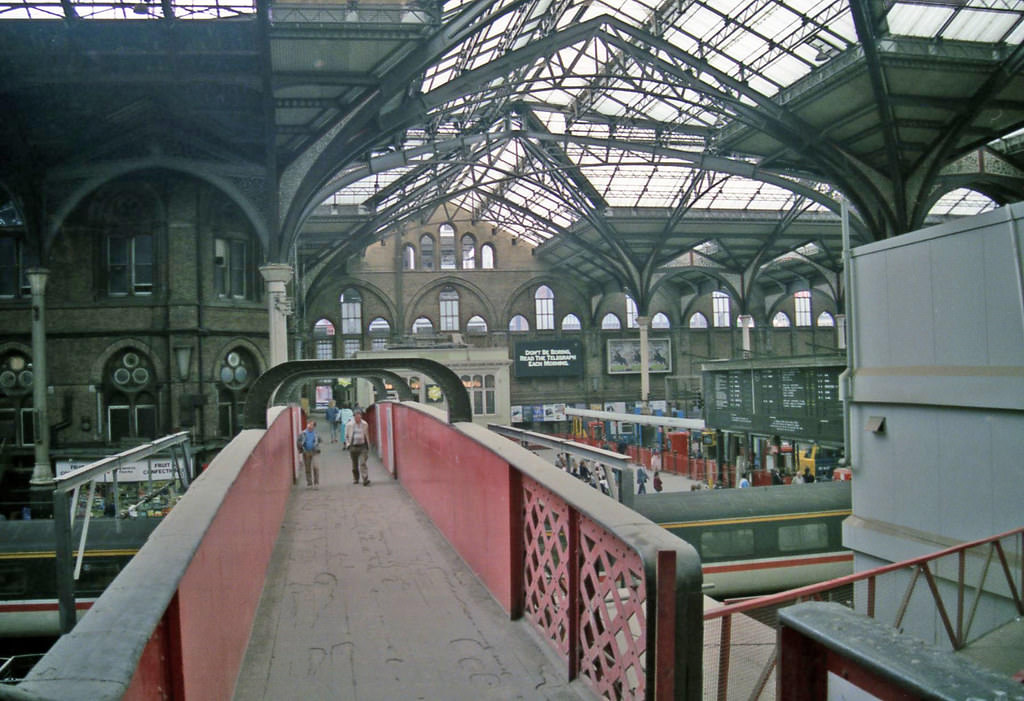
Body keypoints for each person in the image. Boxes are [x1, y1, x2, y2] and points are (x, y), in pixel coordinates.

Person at [345, 409, 371, 486]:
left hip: (363, 446)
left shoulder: (365, 424)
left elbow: (367, 435)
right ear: (354, 417)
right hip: (353, 446)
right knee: (354, 464)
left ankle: (365, 479)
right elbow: (346, 436)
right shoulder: (349, 425)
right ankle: (356, 478)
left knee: (363, 463)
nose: (358, 419)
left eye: (359, 417)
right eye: (356, 417)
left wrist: (368, 445)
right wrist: (348, 445)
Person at [297, 420, 321, 489]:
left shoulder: (316, 433)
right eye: (309, 424)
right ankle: (309, 483)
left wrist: (317, 444)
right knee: (307, 468)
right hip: (306, 451)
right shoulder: (303, 433)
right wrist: (301, 448)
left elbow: (320, 440)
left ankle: (316, 483)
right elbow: (298, 441)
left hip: (314, 452)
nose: (310, 426)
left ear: (314, 427)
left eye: (311, 425)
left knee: (316, 467)